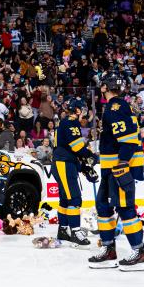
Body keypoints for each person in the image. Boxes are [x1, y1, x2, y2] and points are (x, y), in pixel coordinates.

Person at [88, 75, 144, 271]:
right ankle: (108, 249)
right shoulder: (118, 105)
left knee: (125, 208)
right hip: (110, 168)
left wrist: (122, 163)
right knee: (103, 206)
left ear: (105, 87)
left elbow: (129, 140)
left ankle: (139, 252)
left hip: (118, 168)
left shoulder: (115, 107)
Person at [51, 99, 97, 248]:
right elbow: (76, 147)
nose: (84, 112)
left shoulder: (66, 122)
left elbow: (71, 149)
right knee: (74, 199)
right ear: (77, 110)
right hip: (64, 164)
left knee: (65, 199)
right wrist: (90, 155)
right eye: (82, 109)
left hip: (64, 162)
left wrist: (83, 167)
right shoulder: (71, 122)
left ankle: (63, 230)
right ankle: (75, 232)